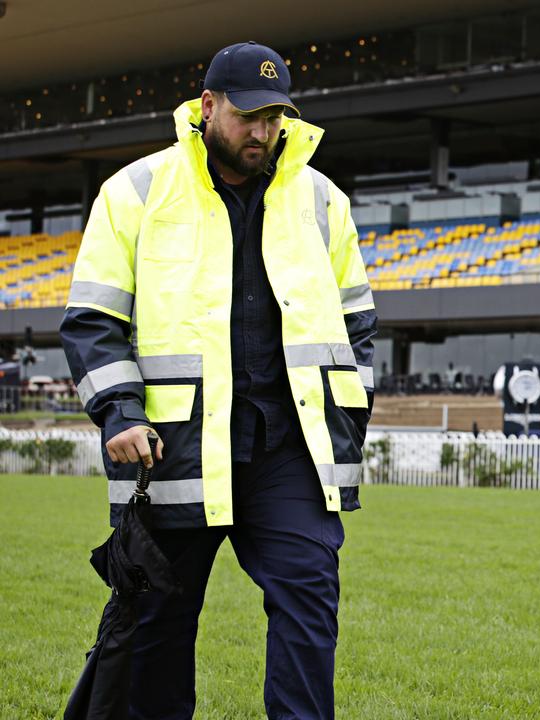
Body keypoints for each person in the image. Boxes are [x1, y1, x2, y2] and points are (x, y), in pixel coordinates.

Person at [61, 41, 376, 719]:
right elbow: (91, 320)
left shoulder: (323, 201)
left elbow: (359, 327)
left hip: (287, 452)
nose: (263, 132)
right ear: (208, 106)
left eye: (276, 118)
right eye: (248, 116)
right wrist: (119, 413)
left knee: (310, 598)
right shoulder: (136, 191)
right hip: (173, 450)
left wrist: (348, 415)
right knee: (156, 632)